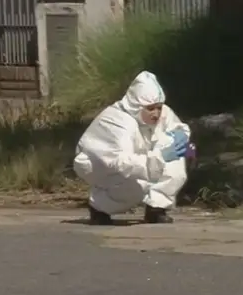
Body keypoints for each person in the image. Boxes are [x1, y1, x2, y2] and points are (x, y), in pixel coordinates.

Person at [73, 71, 191, 225]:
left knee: (176, 159)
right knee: (136, 187)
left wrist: (181, 136)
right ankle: (100, 206)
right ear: (136, 107)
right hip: (102, 165)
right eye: (150, 109)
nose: (156, 113)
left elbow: (176, 127)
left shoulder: (162, 112)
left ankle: (156, 208)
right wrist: (159, 157)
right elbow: (121, 163)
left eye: (159, 107)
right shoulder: (118, 122)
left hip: (139, 158)